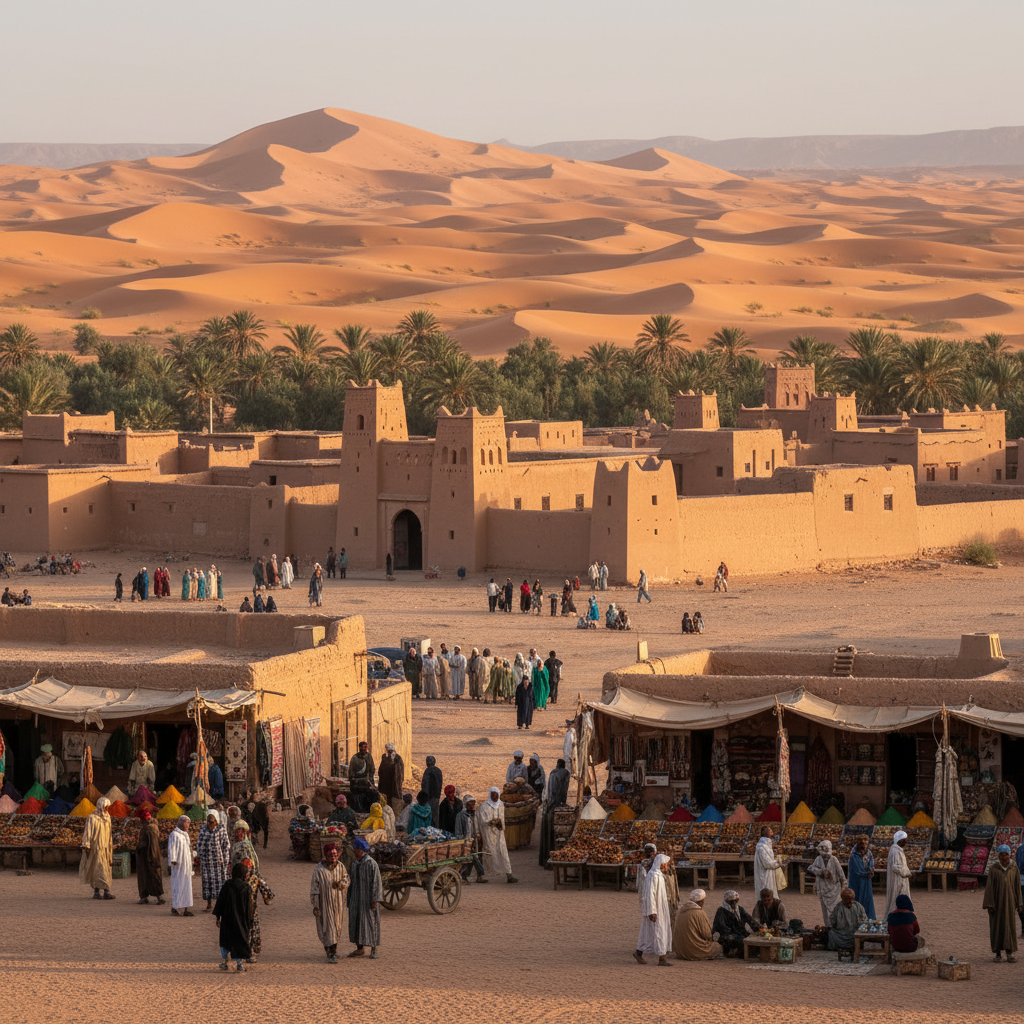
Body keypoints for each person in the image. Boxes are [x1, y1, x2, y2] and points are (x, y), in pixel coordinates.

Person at [311, 842, 349, 963]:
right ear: (326, 856)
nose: (333, 858)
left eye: (335, 855)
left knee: (337, 927)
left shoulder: (341, 867)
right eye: (331, 856)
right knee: (327, 928)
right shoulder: (318, 869)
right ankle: (330, 952)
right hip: (324, 904)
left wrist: (341, 884)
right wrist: (316, 906)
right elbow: (314, 889)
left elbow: (346, 879)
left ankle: (333, 951)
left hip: (338, 904)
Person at [634, 854, 673, 966]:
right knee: (658, 931)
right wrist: (652, 911)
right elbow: (650, 894)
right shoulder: (653, 876)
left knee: (648, 933)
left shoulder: (658, 875)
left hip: (660, 908)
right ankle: (662, 959)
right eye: (665, 864)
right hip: (655, 909)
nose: (666, 866)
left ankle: (639, 953)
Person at [984, 844, 1022, 962]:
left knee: (1009, 927)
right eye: (1002, 854)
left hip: (1010, 903)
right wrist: (990, 904)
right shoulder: (994, 868)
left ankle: (1009, 953)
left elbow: (1017, 886)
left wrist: (1019, 902)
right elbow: (989, 887)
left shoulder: (1014, 867)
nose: (1004, 857)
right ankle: (998, 954)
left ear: (1009, 855)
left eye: (1006, 854)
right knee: (997, 927)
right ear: (998, 855)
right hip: (996, 903)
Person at [347, 837, 382, 959]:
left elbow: (376, 883)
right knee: (356, 922)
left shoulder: (371, 864)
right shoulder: (354, 863)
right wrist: (349, 899)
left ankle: (373, 949)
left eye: (356, 849)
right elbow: (350, 881)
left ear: (360, 850)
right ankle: (359, 948)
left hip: (368, 900)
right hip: (355, 899)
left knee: (371, 922)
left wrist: (375, 900)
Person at [215, 863, 253, 972]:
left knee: (226, 941)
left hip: (227, 919)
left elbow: (220, 902)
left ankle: (225, 962)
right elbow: (249, 907)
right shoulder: (246, 888)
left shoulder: (227, 885)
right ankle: (239, 964)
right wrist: (249, 921)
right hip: (241, 920)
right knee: (240, 941)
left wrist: (218, 917)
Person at [478, 787, 518, 883]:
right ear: (489, 794)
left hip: (499, 833)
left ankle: (509, 875)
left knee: (503, 853)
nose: (494, 796)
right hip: (488, 834)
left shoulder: (501, 805)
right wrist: (491, 822)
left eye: (496, 794)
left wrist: (500, 824)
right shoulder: (484, 806)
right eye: (492, 794)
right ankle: (481, 875)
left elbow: (502, 818)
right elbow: (482, 820)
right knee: (489, 853)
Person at [196, 811, 232, 912]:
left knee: (220, 884)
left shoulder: (221, 829)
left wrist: (225, 860)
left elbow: (226, 846)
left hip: (219, 863)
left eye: (212, 822)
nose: (210, 824)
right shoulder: (203, 829)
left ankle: (221, 905)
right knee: (207, 884)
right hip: (206, 863)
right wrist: (200, 856)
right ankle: (209, 905)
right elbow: (199, 844)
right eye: (208, 822)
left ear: (216, 821)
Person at [538, 758, 571, 867]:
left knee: (549, 835)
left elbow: (552, 792)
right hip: (555, 806)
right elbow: (561, 791)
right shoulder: (565, 773)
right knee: (552, 835)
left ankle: (547, 859)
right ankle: (551, 859)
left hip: (551, 806)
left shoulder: (554, 773)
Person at [241, 857, 275, 962]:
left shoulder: (255, 878)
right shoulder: (240, 878)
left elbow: (265, 888)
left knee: (251, 931)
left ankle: (248, 953)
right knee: (246, 931)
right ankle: (245, 953)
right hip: (242, 909)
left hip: (250, 909)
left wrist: (266, 898)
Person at [81, 796, 115, 900]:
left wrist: (110, 845)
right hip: (95, 848)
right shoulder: (92, 818)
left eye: (108, 807)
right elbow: (88, 832)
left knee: (106, 869)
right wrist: (86, 845)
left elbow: (109, 833)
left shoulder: (107, 817)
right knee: (96, 869)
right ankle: (96, 892)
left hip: (106, 847)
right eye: (106, 807)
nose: (107, 809)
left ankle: (106, 891)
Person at [673, 888, 721, 960]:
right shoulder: (699, 913)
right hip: (693, 951)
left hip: (680, 951)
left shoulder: (680, 911)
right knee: (717, 947)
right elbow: (707, 935)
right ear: (701, 901)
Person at [809, 839, 846, 926]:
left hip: (834, 890)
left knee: (834, 910)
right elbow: (811, 868)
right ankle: (828, 928)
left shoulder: (834, 860)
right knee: (825, 912)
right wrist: (821, 872)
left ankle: (836, 928)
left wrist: (843, 888)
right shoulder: (818, 859)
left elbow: (841, 875)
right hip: (822, 889)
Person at [713, 890, 757, 957]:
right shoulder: (721, 911)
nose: (734, 904)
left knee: (752, 940)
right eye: (731, 902)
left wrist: (759, 928)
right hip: (728, 934)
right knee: (737, 940)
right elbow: (722, 927)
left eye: (735, 901)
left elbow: (750, 919)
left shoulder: (740, 909)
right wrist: (736, 933)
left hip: (739, 933)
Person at [135, 807, 165, 906]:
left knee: (151, 875)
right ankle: (153, 897)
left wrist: (139, 847)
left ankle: (155, 897)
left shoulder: (149, 829)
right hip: (151, 855)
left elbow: (151, 844)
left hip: (148, 855)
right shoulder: (153, 827)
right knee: (152, 875)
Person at [455, 794, 487, 882]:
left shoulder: (476, 814)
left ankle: (479, 876)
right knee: (469, 859)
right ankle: (464, 876)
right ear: (465, 805)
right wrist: (462, 840)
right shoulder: (461, 815)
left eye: (473, 804)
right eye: (469, 804)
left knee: (478, 857)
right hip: (467, 841)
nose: (472, 806)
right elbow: (458, 830)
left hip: (476, 840)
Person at [168, 815, 195, 917]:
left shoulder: (185, 835)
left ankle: (186, 908)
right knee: (178, 886)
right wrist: (173, 862)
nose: (188, 825)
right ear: (180, 823)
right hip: (179, 867)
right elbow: (172, 849)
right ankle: (176, 907)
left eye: (189, 823)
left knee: (187, 887)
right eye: (186, 823)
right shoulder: (174, 835)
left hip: (186, 866)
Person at [884, 829, 912, 918]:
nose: (906, 842)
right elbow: (896, 867)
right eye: (904, 840)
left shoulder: (898, 850)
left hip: (901, 880)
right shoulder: (895, 851)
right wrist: (906, 872)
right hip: (898, 880)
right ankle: (897, 919)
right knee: (897, 900)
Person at [848, 834, 876, 919]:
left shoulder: (869, 853)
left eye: (865, 842)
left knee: (867, 900)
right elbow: (857, 870)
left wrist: (871, 870)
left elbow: (871, 864)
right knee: (856, 899)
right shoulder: (854, 855)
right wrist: (867, 874)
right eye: (861, 843)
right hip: (856, 882)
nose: (863, 844)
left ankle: (868, 919)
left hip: (866, 882)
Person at [753, 825, 782, 899]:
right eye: (770, 831)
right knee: (766, 895)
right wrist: (777, 863)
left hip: (768, 874)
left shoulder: (766, 845)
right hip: (764, 875)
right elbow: (767, 864)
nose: (772, 832)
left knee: (769, 894)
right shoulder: (762, 846)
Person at [377, 742, 405, 815]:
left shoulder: (398, 758)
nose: (389, 752)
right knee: (386, 800)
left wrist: (399, 782)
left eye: (391, 750)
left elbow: (400, 772)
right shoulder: (384, 757)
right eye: (388, 750)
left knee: (395, 801)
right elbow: (381, 770)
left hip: (394, 784)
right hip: (385, 783)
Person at [348, 740, 375, 811]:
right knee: (358, 802)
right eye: (363, 747)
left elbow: (372, 769)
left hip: (367, 784)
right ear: (360, 748)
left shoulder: (369, 756)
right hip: (357, 785)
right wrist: (355, 780)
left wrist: (370, 781)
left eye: (366, 747)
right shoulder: (355, 758)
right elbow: (351, 772)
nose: (365, 749)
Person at [422, 755, 443, 826]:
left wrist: (424, 797)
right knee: (435, 815)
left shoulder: (428, 771)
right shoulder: (438, 770)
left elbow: (425, 785)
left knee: (429, 815)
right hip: (437, 796)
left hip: (429, 797)